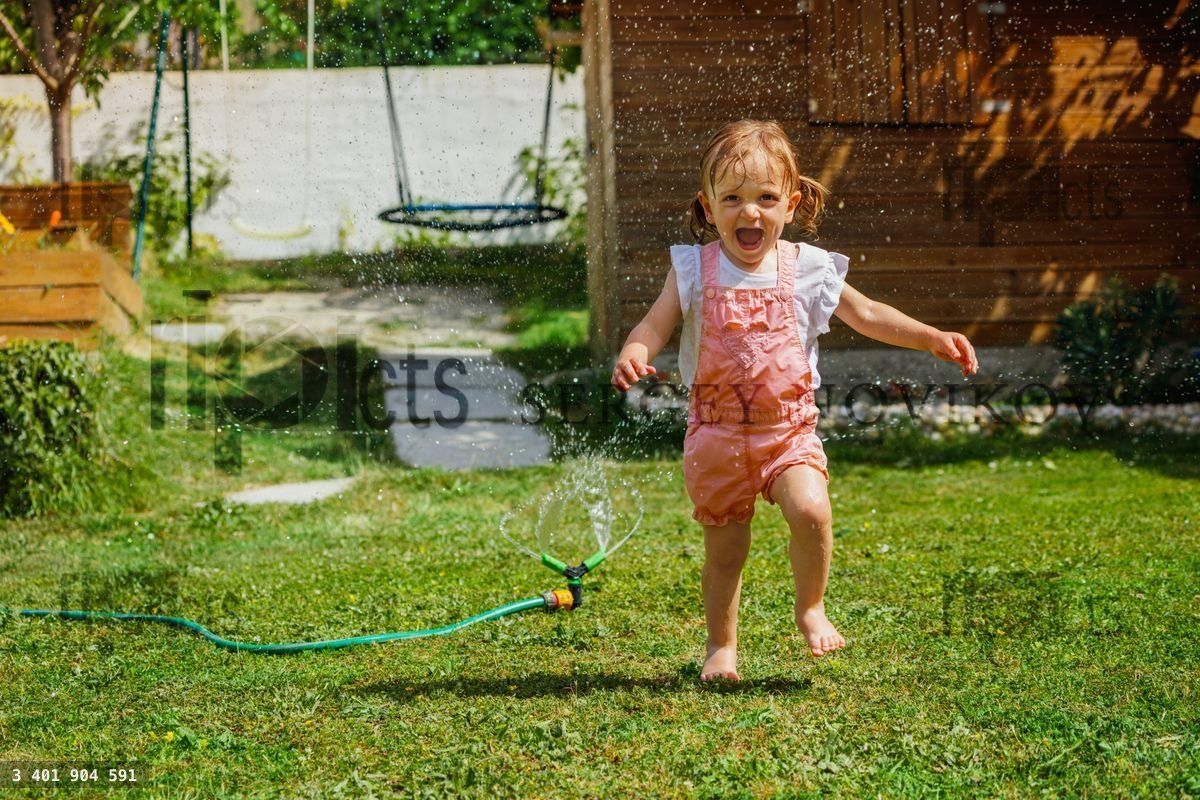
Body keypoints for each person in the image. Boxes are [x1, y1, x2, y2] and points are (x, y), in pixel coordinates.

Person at [610, 119, 978, 681]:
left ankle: (810, 608)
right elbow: (655, 323)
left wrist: (931, 337)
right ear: (708, 208)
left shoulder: (808, 268)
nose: (748, 212)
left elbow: (869, 314)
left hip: (787, 429)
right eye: (731, 198)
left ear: (791, 203)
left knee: (810, 509)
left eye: (764, 198)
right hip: (716, 432)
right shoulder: (692, 267)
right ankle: (721, 647)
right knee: (726, 550)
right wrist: (635, 351)